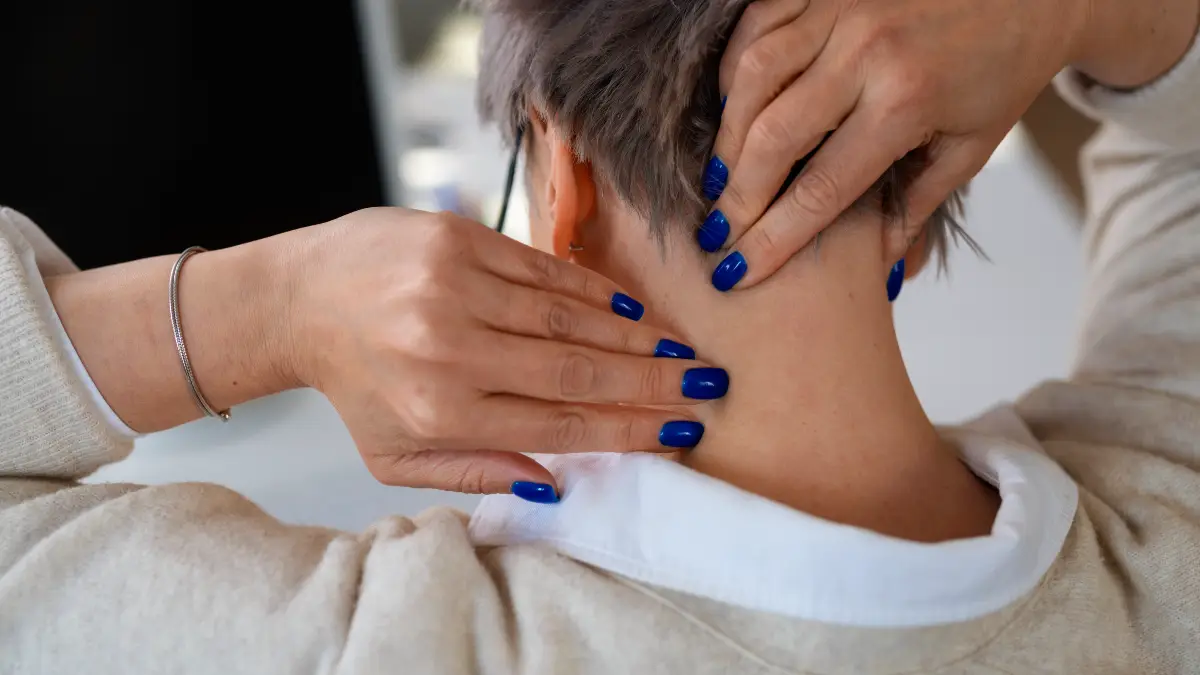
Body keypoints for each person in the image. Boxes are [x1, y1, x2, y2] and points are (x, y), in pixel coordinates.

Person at [1, 0, 1198, 671]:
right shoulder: (1169, 542)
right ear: (926, 180)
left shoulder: (386, 650)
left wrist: (270, 308)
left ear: (558, 183)